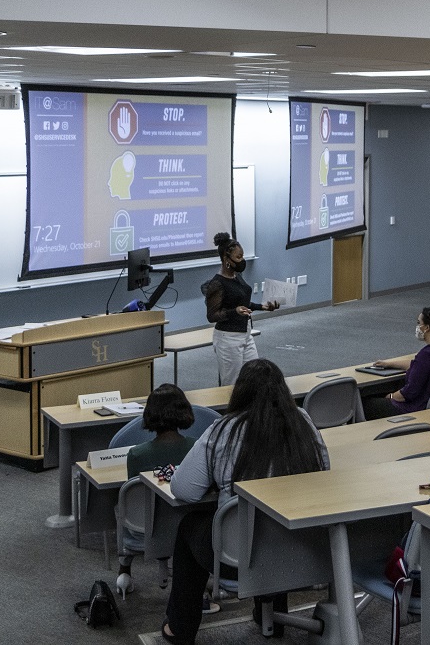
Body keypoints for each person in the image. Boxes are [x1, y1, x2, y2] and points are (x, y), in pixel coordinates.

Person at [162, 359, 328, 645]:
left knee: (190, 526)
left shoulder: (224, 429)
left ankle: (181, 629)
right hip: (299, 550)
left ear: (240, 391)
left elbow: (184, 489)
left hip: (238, 558)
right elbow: (324, 469)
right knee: (277, 515)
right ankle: (273, 619)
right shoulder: (303, 421)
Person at [116, 384, 198, 598]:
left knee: (120, 505)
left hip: (145, 528)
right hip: (186, 526)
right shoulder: (195, 448)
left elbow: (136, 500)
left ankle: (124, 568)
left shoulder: (137, 455)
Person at [202, 232, 279, 386]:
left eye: (242, 256)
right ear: (226, 259)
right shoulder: (217, 284)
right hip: (228, 338)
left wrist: (262, 307)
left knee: (255, 378)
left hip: (246, 334)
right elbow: (212, 316)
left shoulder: (237, 276)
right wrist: (234, 311)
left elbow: (242, 302)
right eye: (238, 257)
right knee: (231, 384)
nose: (242, 260)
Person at [362, 307, 430, 420]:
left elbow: (408, 393)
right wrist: (388, 364)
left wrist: (390, 396)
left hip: (413, 408)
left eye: (419, 323)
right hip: (426, 403)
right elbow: (417, 364)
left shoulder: (427, 354)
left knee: (363, 403)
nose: (417, 326)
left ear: (427, 328)